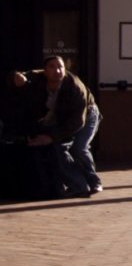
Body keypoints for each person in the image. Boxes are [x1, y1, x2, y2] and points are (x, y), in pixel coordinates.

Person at [13, 55, 102, 197]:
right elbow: (25, 76)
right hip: (61, 116)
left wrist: (51, 136)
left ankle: (94, 181)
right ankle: (78, 185)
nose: (57, 70)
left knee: (78, 147)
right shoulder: (40, 78)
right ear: (45, 71)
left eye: (60, 66)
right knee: (58, 148)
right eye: (52, 67)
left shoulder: (75, 87)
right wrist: (19, 76)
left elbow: (77, 122)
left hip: (86, 115)